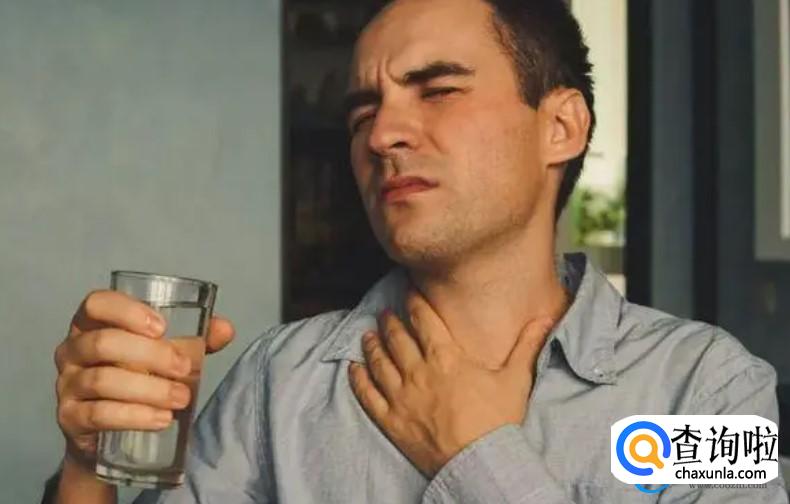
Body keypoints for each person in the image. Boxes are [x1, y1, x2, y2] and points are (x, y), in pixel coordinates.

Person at [48, 0, 787, 502]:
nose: (380, 135)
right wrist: (86, 468)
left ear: (561, 127)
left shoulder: (715, 390)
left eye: (437, 91)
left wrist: (479, 455)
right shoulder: (276, 383)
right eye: (363, 112)